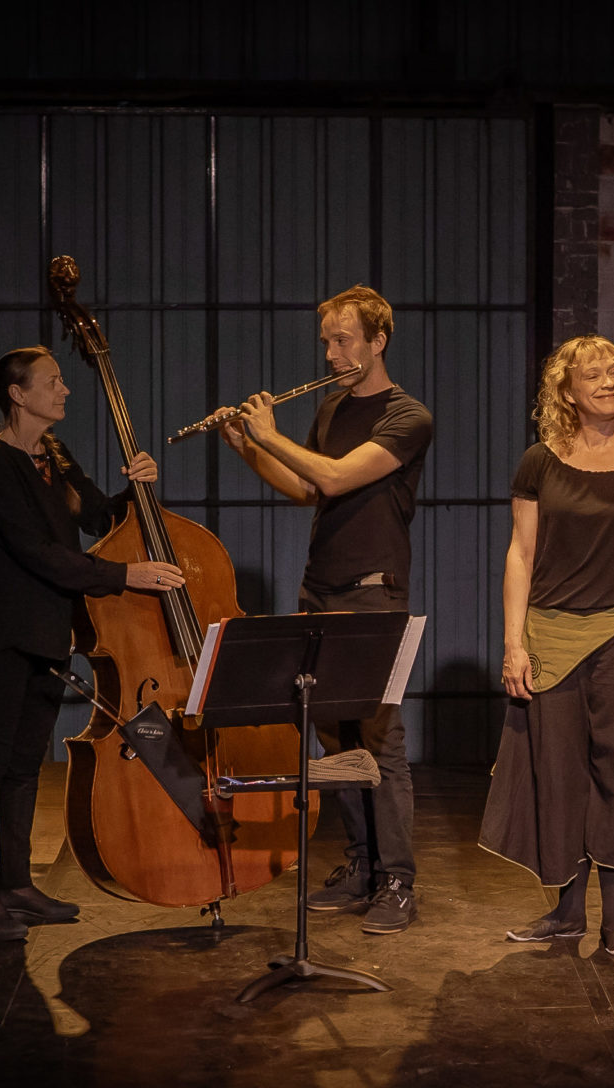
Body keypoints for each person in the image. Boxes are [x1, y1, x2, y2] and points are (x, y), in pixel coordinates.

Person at [214, 285, 432, 934]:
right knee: (333, 737)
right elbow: (308, 489)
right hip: (322, 589)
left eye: (343, 340)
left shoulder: (408, 416)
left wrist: (269, 433)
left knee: (379, 740)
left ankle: (398, 882)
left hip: (373, 593)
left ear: (377, 341)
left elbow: (338, 477)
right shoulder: (333, 409)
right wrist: (248, 448)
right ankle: (363, 868)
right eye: (328, 341)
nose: (332, 352)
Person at [479, 335, 614, 957]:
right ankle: (567, 911)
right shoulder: (538, 462)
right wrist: (513, 644)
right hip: (551, 633)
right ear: (567, 392)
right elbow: (520, 555)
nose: (607, 383)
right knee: (560, 773)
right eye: (593, 376)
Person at [0, 346, 185, 941]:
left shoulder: (54, 456)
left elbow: (96, 518)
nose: (64, 391)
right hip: (11, 632)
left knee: (25, 764)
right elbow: (38, 553)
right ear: (18, 393)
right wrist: (124, 576)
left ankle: (16, 882)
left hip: (52, 630)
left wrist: (134, 490)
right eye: (53, 382)